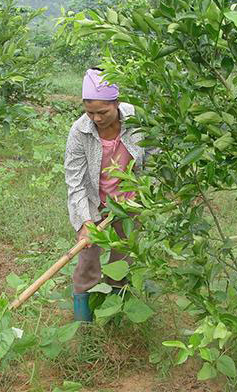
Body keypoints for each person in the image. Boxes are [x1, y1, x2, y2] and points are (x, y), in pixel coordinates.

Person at [64, 67, 148, 321]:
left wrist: (147, 191)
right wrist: (85, 223)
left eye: (102, 112)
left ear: (117, 104)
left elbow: (155, 156)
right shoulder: (80, 131)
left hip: (130, 204)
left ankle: (115, 318)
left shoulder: (136, 120)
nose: (96, 119)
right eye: (90, 112)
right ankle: (84, 324)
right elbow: (75, 181)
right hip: (94, 205)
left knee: (122, 264)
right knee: (87, 264)